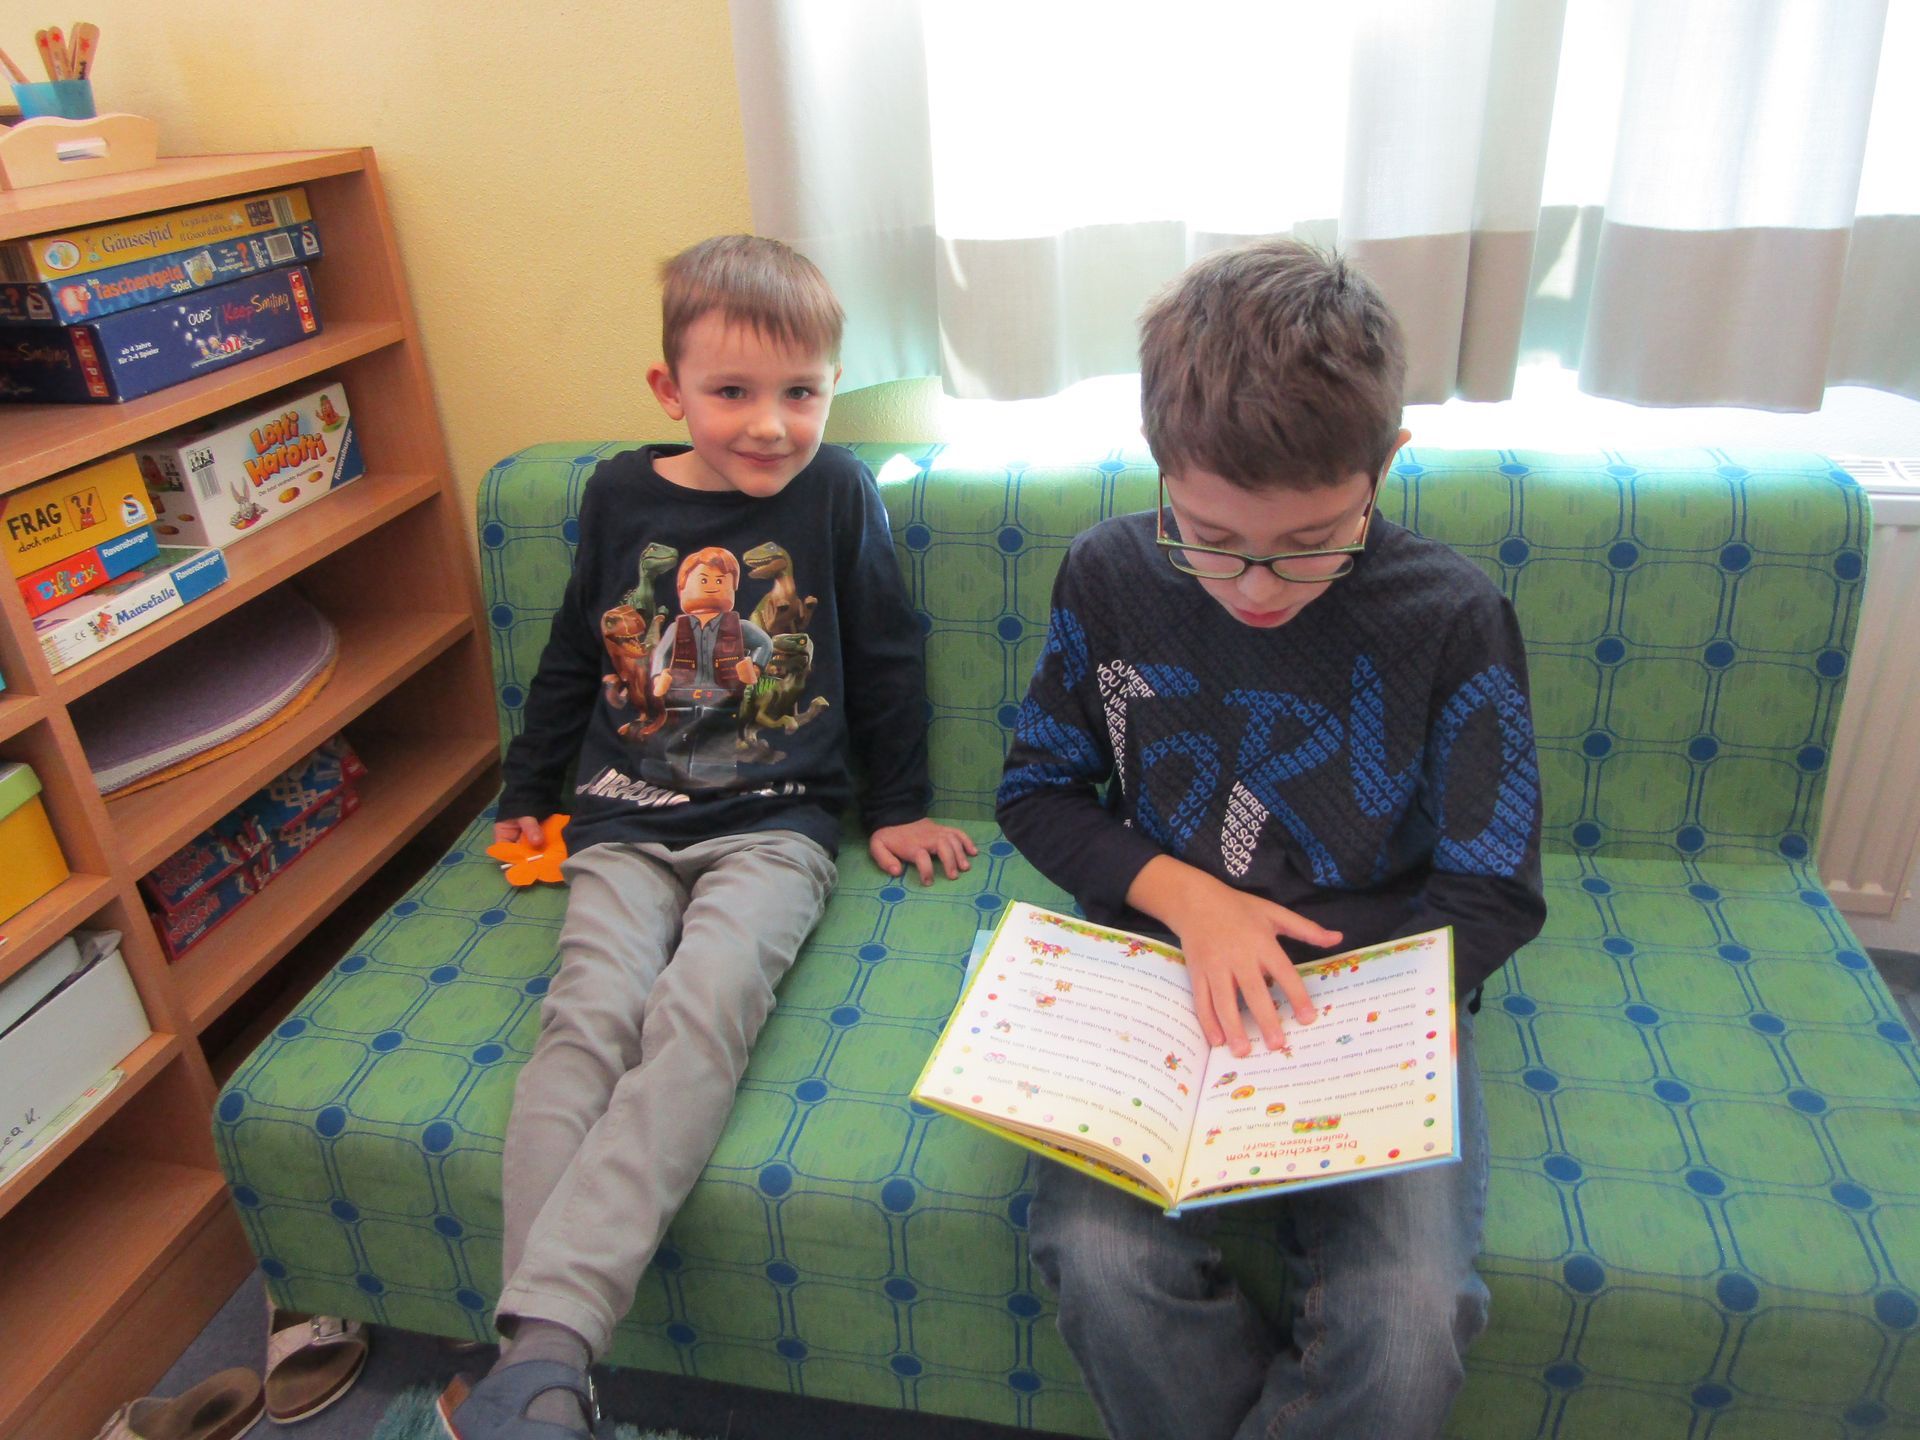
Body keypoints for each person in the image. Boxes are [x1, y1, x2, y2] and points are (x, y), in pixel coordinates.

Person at [995, 238, 1546, 1440]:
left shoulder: (1451, 616)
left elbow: (1496, 891)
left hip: (1370, 999)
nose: (1255, 586)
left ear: (1385, 464)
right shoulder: (1107, 575)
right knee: (1100, 1259)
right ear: (1160, 466)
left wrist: (1351, 1012)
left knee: (1411, 1317)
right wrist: (1190, 899)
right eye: (1209, 535)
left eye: (1308, 542)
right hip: (1158, 977)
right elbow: (1038, 792)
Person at [443, 235, 976, 1440]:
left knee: (701, 1010)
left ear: (832, 388)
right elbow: (575, 652)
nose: (771, 424)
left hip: (776, 825)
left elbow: (886, 654)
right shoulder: (618, 495)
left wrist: (897, 806)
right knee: (587, 1019)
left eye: (803, 392)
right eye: (733, 391)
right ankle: (544, 1361)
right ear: (669, 389)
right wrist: (528, 785)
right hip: (622, 819)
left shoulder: (837, 493)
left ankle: (533, 1366)